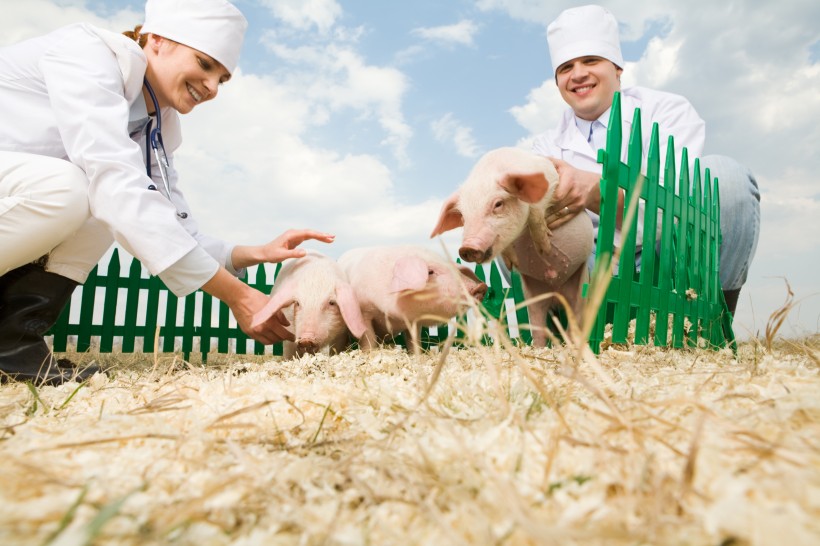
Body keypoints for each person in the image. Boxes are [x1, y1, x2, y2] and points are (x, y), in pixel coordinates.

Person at [0, 0, 333, 385]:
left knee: (100, 204)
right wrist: (238, 296)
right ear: (157, 40)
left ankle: (12, 344)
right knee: (79, 189)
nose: (211, 87)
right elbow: (114, 180)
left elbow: (169, 221)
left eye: (222, 78)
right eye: (205, 64)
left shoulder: (155, 123)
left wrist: (251, 253)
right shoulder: (87, 55)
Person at [531, 4, 760, 318]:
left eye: (591, 60)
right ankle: (568, 334)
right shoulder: (544, 145)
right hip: (588, 266)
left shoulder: (668, 112)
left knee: (727, 178)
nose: (579, 73)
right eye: (566, 67)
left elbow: (678, 207)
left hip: (666, 255)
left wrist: (601, 194)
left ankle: (712, 324)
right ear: (557, 81)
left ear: (618, 70)